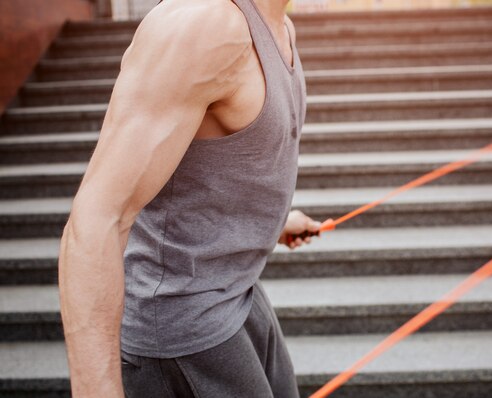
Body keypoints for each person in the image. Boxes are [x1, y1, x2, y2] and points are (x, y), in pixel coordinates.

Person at [58, 0, 319, 396]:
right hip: (183, 321)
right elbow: (97, 219)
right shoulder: (204, 26)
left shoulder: (279, 25)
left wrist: (269, 223)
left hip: (240, 292)